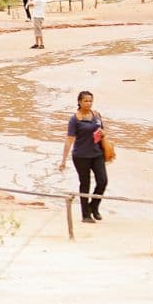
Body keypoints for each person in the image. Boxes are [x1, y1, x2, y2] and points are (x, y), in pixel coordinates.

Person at [60, 90, 109, 223]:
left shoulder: (96, 115)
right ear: (79, 102)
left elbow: (102, 131)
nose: (88, 103)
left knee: (103, 181)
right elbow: (69, 139)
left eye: (90, 101)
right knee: (85, 183)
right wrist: (63, 160)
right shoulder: (75, 119)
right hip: (81, 156)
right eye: (85, 101)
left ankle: (93, 206)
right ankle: (85, 215)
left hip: (97, 154)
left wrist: (103, 133)